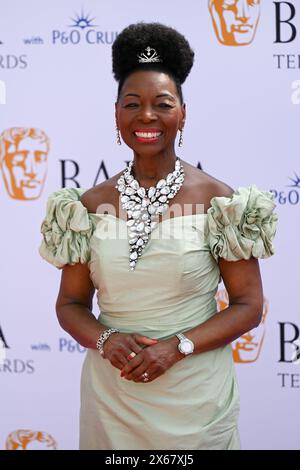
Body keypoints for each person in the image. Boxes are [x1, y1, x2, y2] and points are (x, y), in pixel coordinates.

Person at [38, 22, 278, 450]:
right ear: (116, 114)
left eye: (162, 104)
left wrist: (177, 347)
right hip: (112, 400)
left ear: (182, 113)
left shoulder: (221, 201)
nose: (146, 116)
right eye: (133, 104)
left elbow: (248, 304)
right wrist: (106, 340)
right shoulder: (86, 205)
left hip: (196, 401)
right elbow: (70, 304)